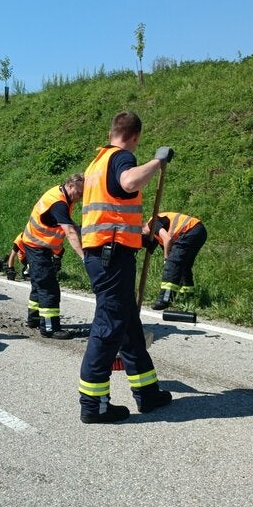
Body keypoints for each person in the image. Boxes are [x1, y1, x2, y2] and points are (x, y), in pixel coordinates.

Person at [78, 111, 174, 423]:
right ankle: (94, 404)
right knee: (108, 327)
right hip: (112, 254)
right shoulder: (121, 158)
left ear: (111, 133)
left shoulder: (97, 163)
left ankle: (147, 392)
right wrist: (158, 161)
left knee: (129, 324)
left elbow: (113, 209)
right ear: (135, 137)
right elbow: (129, 183)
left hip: (104, 251)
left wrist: (139, 238)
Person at [20, 174, 85, 339]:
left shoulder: (60, 194)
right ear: (70, 185)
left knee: (39, 283)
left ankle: (34, 319)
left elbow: (68, 224)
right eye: (79, 193)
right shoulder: (59, 204)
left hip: (36, 244)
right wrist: (84, 257)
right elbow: (69, 232)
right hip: (37, 246)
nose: (80, 197)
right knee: (48, 287)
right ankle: (50, 328)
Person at [143, 212, 208, 310]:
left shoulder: (152, 223)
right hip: (198, 230)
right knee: (183, 264)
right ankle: (187, 295)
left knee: (172, 264)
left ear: (142, 231)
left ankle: (165, 299)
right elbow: (166, 246)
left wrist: (166, 259)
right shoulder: (157, 233)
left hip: (189, 230)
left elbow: (167, 239)